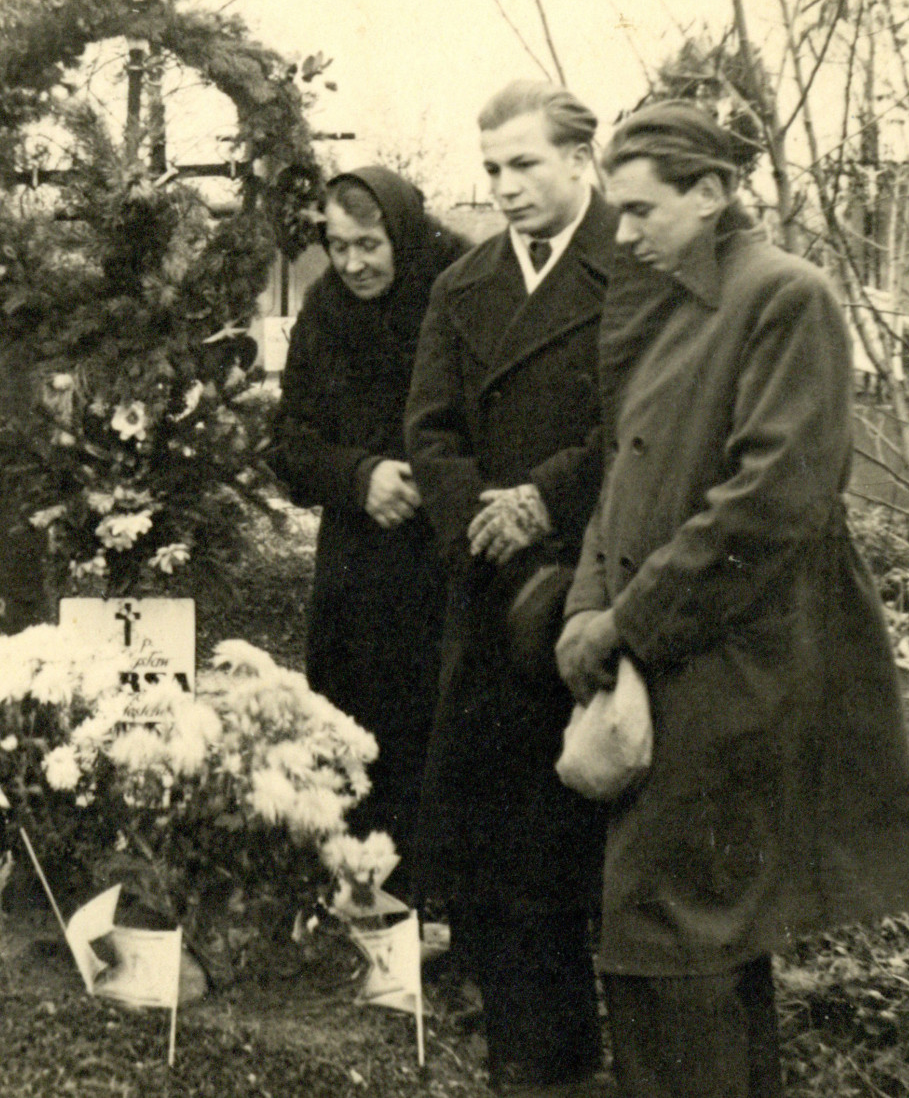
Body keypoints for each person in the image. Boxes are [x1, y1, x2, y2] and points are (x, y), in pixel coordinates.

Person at [558, 102, 909, 1098]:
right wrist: (583, 617)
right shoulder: (674, 302)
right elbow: (622, 483)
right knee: (682, 952)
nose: (622, 232)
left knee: (678, 948)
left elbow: (771, 505)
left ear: (714, 193)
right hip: (662, 661)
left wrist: (624, 624)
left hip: (734, 675)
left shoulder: (784, 297)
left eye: (640, 210)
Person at [406, 81, 617, 1094]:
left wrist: (545, 499)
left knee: (573, 829)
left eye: (524, 163)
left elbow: (642, 426)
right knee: (490, 830)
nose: (504, 187)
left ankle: (570, 1053)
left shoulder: (635, 269)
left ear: (583, 158)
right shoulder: (464, 283)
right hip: (490, 588)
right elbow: (431, 426)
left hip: (589, 580)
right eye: (491, 169)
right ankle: (522, 1050)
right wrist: (482, 514)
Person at [269, 166, 462, 873]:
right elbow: (289, 442)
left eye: (369, 244)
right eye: (338, 245)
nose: (352, 263)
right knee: (360, 727)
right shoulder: (325, 310)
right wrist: (359, 475)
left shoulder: (463, 288)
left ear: (402, 235)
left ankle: (450, 905)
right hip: (362, 562)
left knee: (451, 727)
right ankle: (373, 891)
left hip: (452, 553)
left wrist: (434, 478)